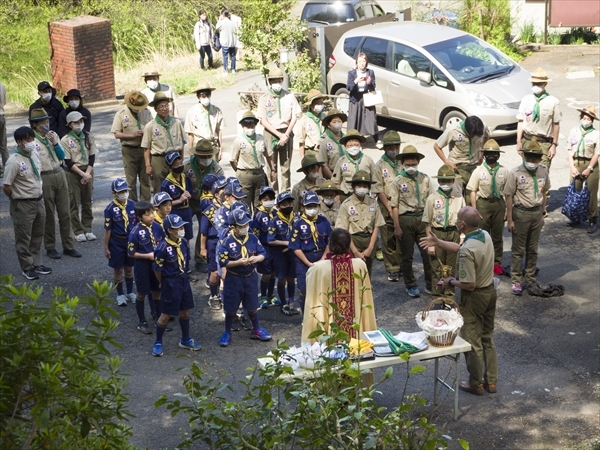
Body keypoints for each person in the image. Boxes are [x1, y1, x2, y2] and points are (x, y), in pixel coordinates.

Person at [419, 206, 498, 396]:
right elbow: (459, 247)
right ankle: (491, 381)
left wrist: (450, 281)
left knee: (472, 342)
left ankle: (475, 383)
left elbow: (469, 283)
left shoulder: (467, 251)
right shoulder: (484, 236)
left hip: (475, 297)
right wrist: (438, 242)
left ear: (462, 224)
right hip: (490, 292)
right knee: (487, 338)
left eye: (457, 220)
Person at [301, 228, 376, 344]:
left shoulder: (317, 269)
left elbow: (312, 299)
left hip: (328, 335)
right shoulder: (360, 265)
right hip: (355, 335)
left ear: (330, 245)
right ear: (348, 246)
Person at [29, 108, 81, 260]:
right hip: (45, 176)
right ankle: (50, 246)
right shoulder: (33, 141)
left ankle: (68, 246)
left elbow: (62, 156)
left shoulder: (53, 135)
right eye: (43, 122)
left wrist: (55, 143)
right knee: (49, 214)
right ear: (35, 125)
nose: (46, 124)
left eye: (47, 121)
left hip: (59, 172)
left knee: (65, 212)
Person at [217, 209, 272, 347]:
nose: (245, 228)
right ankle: (227, 332)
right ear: (232, 227)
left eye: (246, 224)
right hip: (234, 278)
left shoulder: (252, 237)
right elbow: (224, 262)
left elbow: (262, 253)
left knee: (252, 305)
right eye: (241, 226)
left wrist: (256, 258)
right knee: (230, 307)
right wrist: (238, 262)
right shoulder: (226, 241)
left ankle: (257, 329)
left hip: (250, 276)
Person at [2, 126, 51, 280]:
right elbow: (6, 186)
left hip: (38, 200)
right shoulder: (14, 161)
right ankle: (27, 267)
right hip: (23, 203)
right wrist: (16, 198)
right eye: (26, 140)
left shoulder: (34, 154)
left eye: (31, 139)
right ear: (18, 142)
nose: (30, 142)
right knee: (24, 237)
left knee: (37, 234)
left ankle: (37, 263)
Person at [504, 139, 550, 296]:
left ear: (539, 159)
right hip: (521, 212)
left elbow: (544, 192)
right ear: (524, 157)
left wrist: (543, 213)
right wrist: (510, 219)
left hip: (536, 212)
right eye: (529, 158)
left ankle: (529, 278)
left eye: (535, 158)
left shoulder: (543, 170)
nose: (532, 161)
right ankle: (516, 280)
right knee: (518, 249)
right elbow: (509, 196)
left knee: (533, 249)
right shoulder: (515, 173)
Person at [152, 214, 202, 356]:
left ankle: (185, 339)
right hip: (170, 282)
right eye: (178, 227)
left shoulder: (183, 242)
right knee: (166, 314)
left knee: (185, 311)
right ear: (169, 230)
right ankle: (158, 341)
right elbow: (157, 270)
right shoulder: (162, 248)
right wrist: (163, 282)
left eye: (181, 226)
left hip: (183, 279)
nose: (182, 229)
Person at [390, 145, 432, 297]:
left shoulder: (425, 178)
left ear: (418, 162)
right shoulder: (397, 181)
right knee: (407, 255)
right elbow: (394, 205)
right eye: (408, 164)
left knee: (427, 253)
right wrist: (396, 226)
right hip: (405, 218)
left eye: (413, 164)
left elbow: (431, 201)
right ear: (403, 164)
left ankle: (430, 283)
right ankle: (410, 284)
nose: (411, 167)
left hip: (422, 217)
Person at [422, 164, 466, 298]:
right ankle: (437, 295)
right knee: (436, 266)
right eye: (442, 181)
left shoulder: (459, 197)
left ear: (453, 181)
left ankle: (449, 296)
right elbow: (427, 222)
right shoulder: (432, 198)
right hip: (437, 233)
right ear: (439, 181)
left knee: (451, 266)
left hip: (453, 233)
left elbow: (463, 219)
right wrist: (430, 244)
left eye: (448, 181)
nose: (445, 184)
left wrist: (462, 236)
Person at [467, 139, 509, 275]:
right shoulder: (478, 171)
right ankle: (482, 262)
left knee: (497, 236)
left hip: (498, 204)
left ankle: (497, 263)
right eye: (488, 153)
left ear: (498, 155)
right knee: (482, 235)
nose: (492, 155)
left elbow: (508, 193)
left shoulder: (504, 171)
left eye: (494, 153)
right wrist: (475, 210)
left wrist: (508, 210)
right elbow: (472, 191)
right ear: (484, 154)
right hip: (483, 205)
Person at [257, 67, 302, 192]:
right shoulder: (264, 99)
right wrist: (278, 135)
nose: (276, 83)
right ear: (270, 82)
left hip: (286, 131)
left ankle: (285, 192)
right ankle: (273, 192)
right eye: (273, 81)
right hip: (271, 133)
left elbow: (294, 117)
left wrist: (286, 134)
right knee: (272, 166)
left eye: (278, 80)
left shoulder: (289, 96)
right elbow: (263, 120)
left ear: (282, 80)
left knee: (286, 166)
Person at [335, 170, 385, 277]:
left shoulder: (373, 203)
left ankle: (366, 293)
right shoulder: (346, 204)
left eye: (364, 186)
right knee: (352, 272)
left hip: (369, 239)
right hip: (353, 240)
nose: (362, 188)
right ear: (353, 187)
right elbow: (344, 230)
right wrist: (355, 251)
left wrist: (371, 247)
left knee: (367, 272)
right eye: (359, 185)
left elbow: (377, 225)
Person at [185, 140, 224, 272]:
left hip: (207, 203)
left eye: (209, 156)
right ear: (196, 156)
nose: (207, 159)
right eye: (203, 156)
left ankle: (200, 258)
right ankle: (182, 258)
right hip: (189, 201)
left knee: (204, 229)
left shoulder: (216, 168)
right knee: (183, 228)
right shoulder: (187, 166)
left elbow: (221, 188)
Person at [289, 191, 332, 312]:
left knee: (324, 287)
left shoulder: (323, 221)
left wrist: (323, 258)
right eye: (309, 206)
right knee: (305, 289)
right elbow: (295, 247)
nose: (312, 209)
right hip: (304, 259)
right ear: (303, 207)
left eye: (314, 206)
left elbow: (329, 242)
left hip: (322, 256)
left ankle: (323, 314)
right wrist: (308, 263)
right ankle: (306, 315)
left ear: (318, 206)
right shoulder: (297, 223)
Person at [128, 200, 165, 333]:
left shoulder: (157, 227)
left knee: (157, 292)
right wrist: (147, 255)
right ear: (139, 217)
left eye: (152, 213)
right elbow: (131, 253)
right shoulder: (135, 232)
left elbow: (162, 242)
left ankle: (159, 317)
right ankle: (142, 320)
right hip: (142, 265)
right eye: (147, 214)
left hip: (155, 265)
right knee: (142, 293)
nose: (151, 216)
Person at [516, 67, 561, 172]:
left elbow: (556, 124)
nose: (536, 86)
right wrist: (518, 141)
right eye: (534, 84)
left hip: (544, 143)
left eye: (539, 84)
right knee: (527, 172)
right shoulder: (526, 100)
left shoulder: (553, 102)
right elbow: (521, 121)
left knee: (542, 173)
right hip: (527, 140)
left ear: (545, 84)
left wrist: (554, 145)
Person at [61, 111, 96, 243]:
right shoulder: (65, 140)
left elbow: (92, 156)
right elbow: (68, 162)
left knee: (87, 201)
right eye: (76, 122)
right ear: (70, 124)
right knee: (74, 202)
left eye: (81, 121)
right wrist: (82, 174)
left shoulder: (88, 136)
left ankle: (87, 228)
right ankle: (78, 230)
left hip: (87, 169)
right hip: (74, 173)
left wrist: (87, 173)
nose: (79, 124)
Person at [372, 130, 403, 282]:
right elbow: (378, 189)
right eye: (390, 147)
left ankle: (403, 264)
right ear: (384, 148)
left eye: (396, 147)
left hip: (403, 204)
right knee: (388, 236)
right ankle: (392, 268)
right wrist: (389, 208)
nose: (394, 150)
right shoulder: (379, 166)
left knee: (402, 236)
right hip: (387, 204)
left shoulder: (403, 161)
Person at [433, 115, 489, 197]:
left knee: (471, 196)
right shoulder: (453, 130)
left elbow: (486, 136)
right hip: (457, 167)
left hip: (473, 166)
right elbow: (437, 146)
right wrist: (446, 162)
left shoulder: (482, 127)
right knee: (457, 197)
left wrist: (482, 152)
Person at [111, 91, 152, 202]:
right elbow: (116, 133)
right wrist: (132, 135)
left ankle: (145, 206)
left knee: (145, 180)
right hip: (129, 149)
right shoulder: (121, 114)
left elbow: (151, 128)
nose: (137, 109)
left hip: (144, 149)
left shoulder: (146, 112)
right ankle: (133, 206)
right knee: (131, 181)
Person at [230, 111, 276, 210]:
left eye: (252, 125)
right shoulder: (239, 140)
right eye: (247, 126)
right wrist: (239, 171)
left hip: (259, 174)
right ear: (243, 126)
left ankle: (258, 223)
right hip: (245, 174)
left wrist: (273, 170)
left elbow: (269, 155)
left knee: (259, 204)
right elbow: (232, 159)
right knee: (244, 204)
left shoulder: (261, 139)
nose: (250, 128)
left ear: (255, 125)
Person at [142, 92, 185, 195]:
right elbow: (146, 148)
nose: (164, 108)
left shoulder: (176, 122)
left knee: (176, 186)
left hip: (175, 157)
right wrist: (148, 165)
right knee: (159, 187)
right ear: (156, 109)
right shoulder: (150, 126)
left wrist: (181, 159)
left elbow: (182, 142)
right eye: (161, 106)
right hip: (159, 159)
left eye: (166, 105)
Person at [104, 178, 137, 306]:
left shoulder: (133, 205)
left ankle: (129, 292)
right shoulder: (110, 209)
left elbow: (138, 224)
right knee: (118, 269)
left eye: (125, 191)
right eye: (120, 191)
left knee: (129, 268)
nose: (124, 193)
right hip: (116, 242)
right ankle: (120, 294)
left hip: (129, 241)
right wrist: (106, 247)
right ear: (114, 193)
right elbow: (108, 230)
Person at [566, 105, 599, 233]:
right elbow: (569, 149)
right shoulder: (574, 131)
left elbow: (597, 153)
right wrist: (572, 166)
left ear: (592, 121)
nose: (586, 120)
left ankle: (592, 219)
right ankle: (576, 217)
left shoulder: (596, 134)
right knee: (575, 190)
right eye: (584, 118)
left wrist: (589, 168)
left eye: (588, 119)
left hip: (591, 164)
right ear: (580, 118)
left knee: (591, 192)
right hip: (576, 162)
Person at [267, 192, 298, 315]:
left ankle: (291, 302)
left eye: (290, 203)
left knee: (291, 278)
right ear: (278, 207)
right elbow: (270, 240)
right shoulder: (274, 221)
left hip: (293, 254)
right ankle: (283, 302)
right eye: (284, 204)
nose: (288, 206)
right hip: (280, 254)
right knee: (282, 278)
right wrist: (286, 243)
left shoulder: (296, 218)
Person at [252, 186, 279, 308]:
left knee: (273, 272)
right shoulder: (258, 215)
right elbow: (255, 234)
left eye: (271, 198)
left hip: (276, 248)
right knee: (266, 274)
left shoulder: (275, 213)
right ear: (260, 201)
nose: (269, 201)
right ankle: (263, 295)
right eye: (266, 199)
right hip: (265, 248)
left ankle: (271, 295)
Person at [332, 129, 377, 199]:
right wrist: (337, 198)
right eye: (350, 143)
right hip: (346, 195)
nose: (353, 145)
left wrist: (373, 195)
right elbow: (336, 181)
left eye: (356, 143)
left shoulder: (368, 160)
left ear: (360, 144)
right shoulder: (341, 161)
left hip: (364, 195)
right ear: (345, 145)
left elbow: (375, 179)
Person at [184, 81, 223, 160]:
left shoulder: (216, 110)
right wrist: (191, 151)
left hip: (212, 145)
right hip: (199, 146)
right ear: (198, 97)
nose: (206, 98)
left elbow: (219, 131)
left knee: (213, 169)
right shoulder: (192, 112)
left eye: (207, 95)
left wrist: (220, 148)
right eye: (203, 96)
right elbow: (190, 133)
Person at [347, 53, 378, 144]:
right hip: (355, 99)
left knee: (371, 119)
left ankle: (376, 139)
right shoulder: (352, 73)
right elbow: (348, 87)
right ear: (356, 62)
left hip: (367, 98)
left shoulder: (370, 72)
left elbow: (373, 87)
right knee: (354, 121)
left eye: (364, 61)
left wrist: (369, 83)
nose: (362, 63)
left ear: (366, 62)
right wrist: (355, 81)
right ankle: (352, 140)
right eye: (360, 61)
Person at [161, 152, 194, 240]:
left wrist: (189, 195)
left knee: (187, 236)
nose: (180, 166)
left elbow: (191, 191)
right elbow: (164, 203)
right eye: (176, 165)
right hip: (175, 212)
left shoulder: (186, 178)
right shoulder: (166, 184)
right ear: (169, 168)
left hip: (186, 210)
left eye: (181, 163)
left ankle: (186, 253)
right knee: (176, 235)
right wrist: (179, 200)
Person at [316, 109, 347, 179]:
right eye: (334, 122)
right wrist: (334, 180)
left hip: (346, 173)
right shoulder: (324, 141)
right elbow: (323, 164)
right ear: (328, 125)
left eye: (339, 121)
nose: (337, 124)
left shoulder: (346, 138)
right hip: (331, 174)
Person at [298, 89, 326, 158]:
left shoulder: (324, 117)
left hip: (323, 150)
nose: (320, 105)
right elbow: (301, 141)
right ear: (311, 105)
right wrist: (302, 158)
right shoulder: (305, 120)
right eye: (317, 103)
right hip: (311, 151)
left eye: (321, 103)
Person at [215, 10, 238, 74]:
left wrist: (219, 20)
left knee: (225, 56)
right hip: (232, 42)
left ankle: (225, 70)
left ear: (222, 15)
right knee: (233, 56)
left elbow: (216, 28)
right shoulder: (232, 22)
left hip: (225, 42)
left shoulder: (222, 22)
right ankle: (233, 69)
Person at [0, 81, 9, 175]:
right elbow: (5, 102)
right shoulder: (1, 85)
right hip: (1, 116)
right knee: (3, 144)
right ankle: (7, 167)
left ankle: (0, 170)